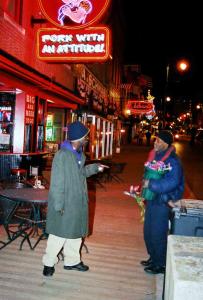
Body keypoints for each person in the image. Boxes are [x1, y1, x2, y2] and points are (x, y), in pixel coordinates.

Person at [42, 121, 106, 277]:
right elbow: (57, 182)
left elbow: (80, 173)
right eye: (86, 136)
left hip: (78, 201)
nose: (87, 139)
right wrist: (58, 205)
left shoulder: (78, 154)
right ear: (79, 138)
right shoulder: (62, 155)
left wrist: (95, 168)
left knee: (76, 233)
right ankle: (48, 263)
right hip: (66, 202)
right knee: (58, 234)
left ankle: (72, 261)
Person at [139, 130, 184, 274]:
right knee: (148, 232)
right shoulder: (155, 156)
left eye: (158, 140)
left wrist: (150, 184)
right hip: (153, 199)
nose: (155, 142)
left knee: (158, 233)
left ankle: (160, 264)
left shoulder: (172, 160)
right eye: (155, 140)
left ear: (165, 143)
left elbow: (173, 182)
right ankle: (153, 257)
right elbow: (149, 173)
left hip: (163, 200)